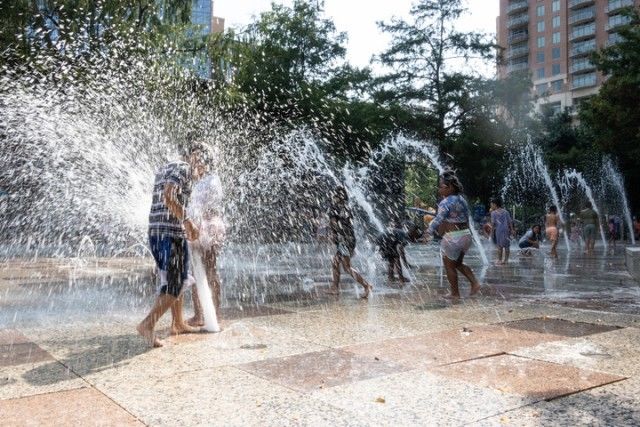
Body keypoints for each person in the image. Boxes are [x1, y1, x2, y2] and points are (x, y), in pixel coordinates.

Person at [137, 142, 208, 348]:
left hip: (157, 232)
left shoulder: (168, 166)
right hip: (170, 233)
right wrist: (186, 220)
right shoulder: (184, 168)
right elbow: (169, 195)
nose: (202, 171)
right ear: (195, 156)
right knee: (176, 282)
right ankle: (147, 324)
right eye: (204, 164)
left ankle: (177, 323)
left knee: (174, 278)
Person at [426, 170, 481, 299]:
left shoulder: (445, 202)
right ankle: (475, 282)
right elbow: (467, 218)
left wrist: (428, 231)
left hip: (453, 237)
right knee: (457, 263)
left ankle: (455, 293)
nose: (439, 189)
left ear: (450, 187)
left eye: (441, 187)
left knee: (449, 266)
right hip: (466, 236)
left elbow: (439, 219)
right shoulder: (462, 200)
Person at [187, 173, 225, 327]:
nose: (194, 163)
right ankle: (203, 314)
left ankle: (210, 314)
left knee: (208, 270)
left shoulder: (211, 179)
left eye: (197, 157)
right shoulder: (198, 180)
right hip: (202, 225)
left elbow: (211, 206)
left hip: (208, 227)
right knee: (199, 271)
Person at [326, 185, 372, 298]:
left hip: (343, 241)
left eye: (334, 194)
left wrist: (333, 235)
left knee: (346, 267)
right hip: (349, 240)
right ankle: (335, 287)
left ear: (336, 195)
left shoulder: (334, 207)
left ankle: (366, 285)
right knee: (336, 263)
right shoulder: (346, 207)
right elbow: (348, 225)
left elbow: (334, 223)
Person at [490, 198, 514, 265]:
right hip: (506, 230)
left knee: (499, 246)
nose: (491, 206)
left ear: (495, 204)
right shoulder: (505, 211)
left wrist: (492, 232)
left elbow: (493, 224)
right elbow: (510, 221)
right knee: (507, 246)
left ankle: (500, 260)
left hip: (499, 230)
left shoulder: (493, 213)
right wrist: (512, 229)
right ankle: (506, 260)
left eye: (491, 204)